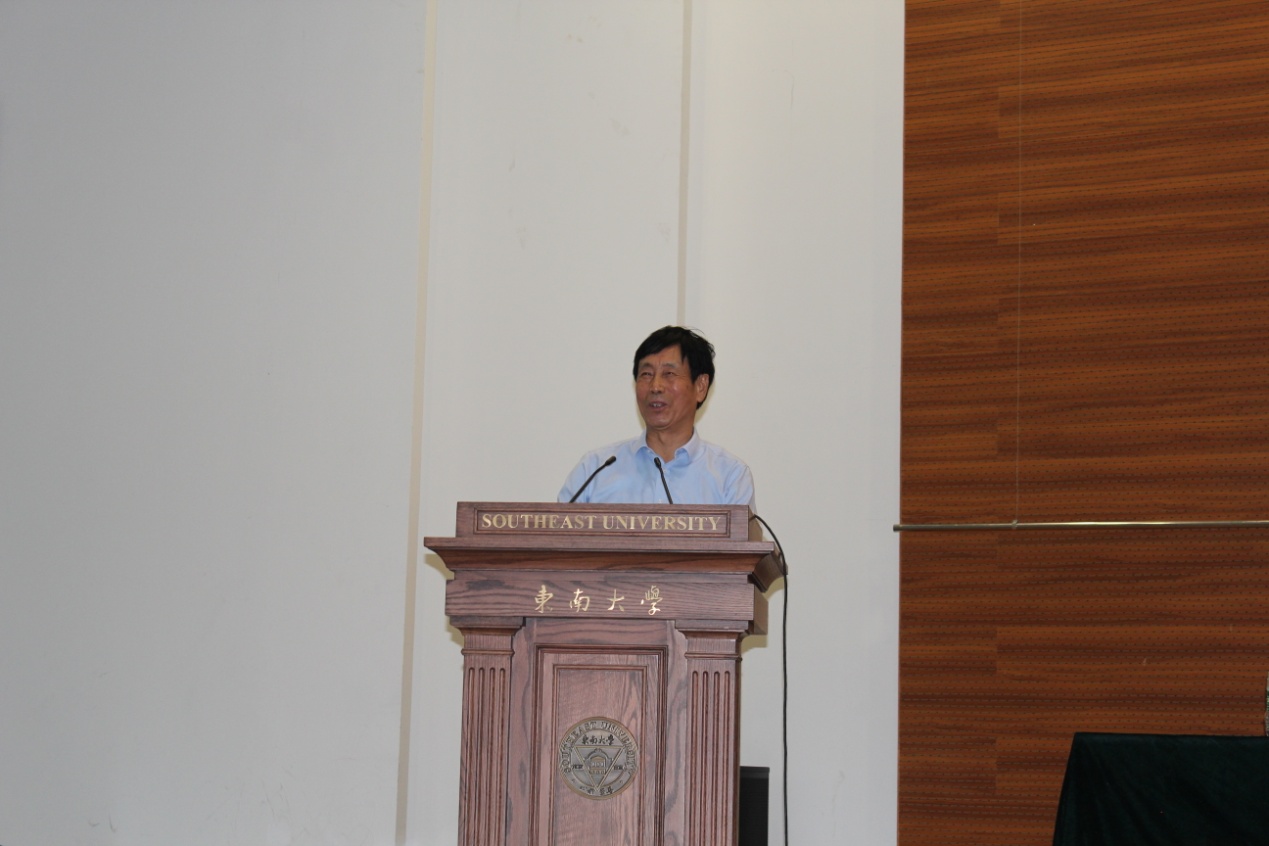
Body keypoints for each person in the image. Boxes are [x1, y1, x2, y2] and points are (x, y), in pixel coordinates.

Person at [558, 326, 755, 508]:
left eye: (669, 373)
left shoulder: (730, 477)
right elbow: (555, 531)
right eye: (646, 374)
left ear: (700, 387)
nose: (655, 387)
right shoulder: (594, 470)